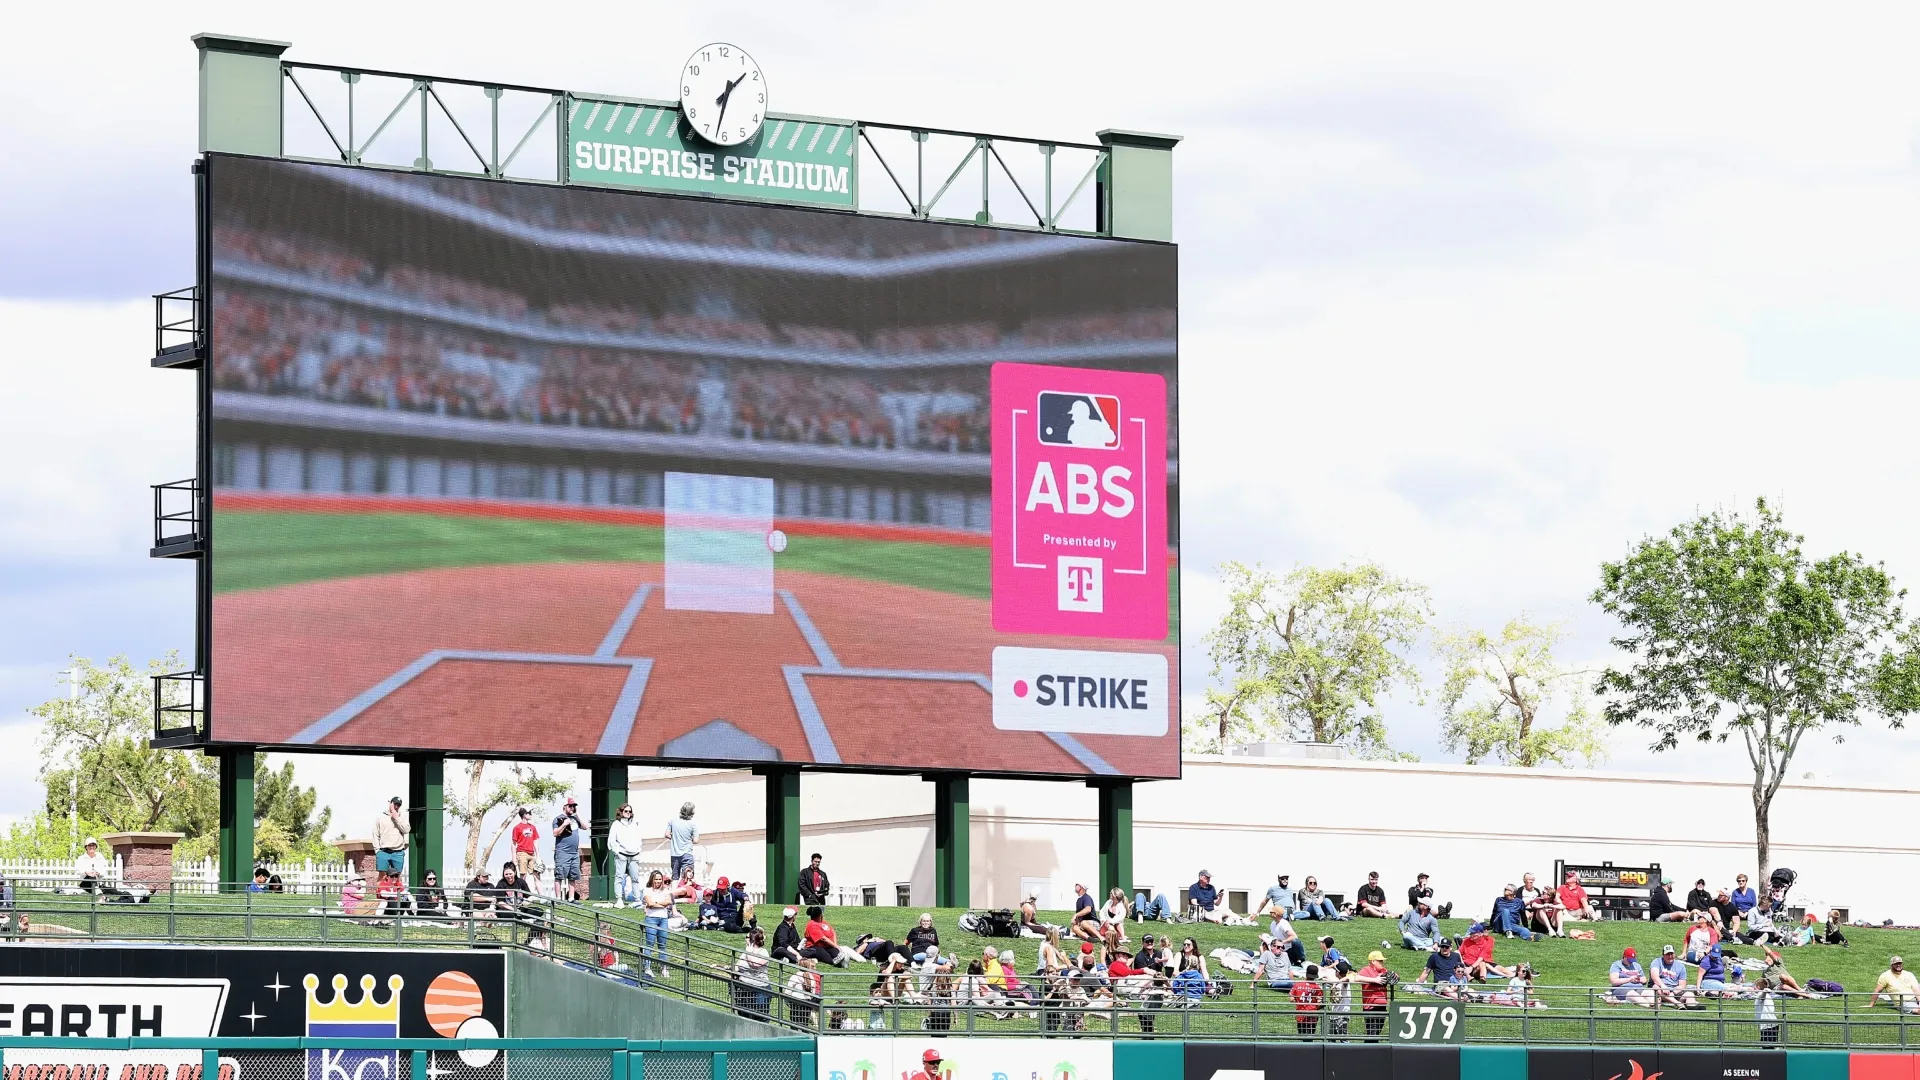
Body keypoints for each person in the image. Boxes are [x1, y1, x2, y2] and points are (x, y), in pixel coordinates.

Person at [609, 803, 645, 907]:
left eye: (630, 811)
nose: (628, 813)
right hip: (622, 854)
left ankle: (637, 899)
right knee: (619, 877)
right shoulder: (616, 824)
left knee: (635, 878)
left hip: (634, 854)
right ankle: (619, 899)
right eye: (626, 811)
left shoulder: (634, 824)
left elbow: (638, 838)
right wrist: (617, 851)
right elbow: (612, 840)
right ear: (621, 812)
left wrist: (639, 849)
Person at [732, 927, 772, 1019]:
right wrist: (724, 967)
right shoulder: (745, 953)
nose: (745, 939)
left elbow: (754, 964)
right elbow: (737, 966)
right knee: (743, 1015)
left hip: (760, 989)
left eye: (747, 937)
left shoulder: (763, 952)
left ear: (752, 940)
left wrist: (748, 952)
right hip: (744, 988)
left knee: (759, 1016)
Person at [551, 798, 586, 901]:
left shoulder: (575, 819)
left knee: (573, 876)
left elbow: (585, 827)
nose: (572, 808)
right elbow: (555, 833)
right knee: (560, 875)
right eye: (570, 806)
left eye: (574, 806)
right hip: (562, 852)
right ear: (565, 806)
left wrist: (577, 815)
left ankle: (571, 898)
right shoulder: (558, 819)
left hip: (574, 852)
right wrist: (564, 824)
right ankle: (558, 898)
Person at [640, 870, 674, 978]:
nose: (658, 881)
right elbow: (649, 903)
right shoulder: (647, 890)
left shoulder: (666, 890)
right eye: (656, 879)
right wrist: (659, 905)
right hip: (651, 918)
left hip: (663, 919)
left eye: (660, 879)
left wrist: (655, 904)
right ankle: (647, 967)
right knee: (650, 943)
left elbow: (668, 902)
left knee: (662, 944)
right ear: (652, 879)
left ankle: (664, 968)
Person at [1356, 951, 1392, 1039]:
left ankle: (1370, 1049)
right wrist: (1375, 980)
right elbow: (1356, 978)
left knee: (1377, 1033)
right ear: (1373, 961)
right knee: (1372, 1034)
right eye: (1380, 961)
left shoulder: (1384, 971)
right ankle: (1368, 1051)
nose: (1382, 963)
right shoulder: (1366, 970)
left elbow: (1393, 977)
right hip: (1371, 1007)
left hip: (1382, 1006)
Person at [1653, 944, 1698, 1008]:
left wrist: (1676, 991)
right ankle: (1677, 1003)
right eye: (1668, 954)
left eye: (1672, 954)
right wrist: (1663, 986)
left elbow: (1683, 984)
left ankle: (1693, 1008)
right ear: (1663, 955)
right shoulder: (1657, 962)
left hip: (1674, 992)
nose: (1670, 956)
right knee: (1655, 987)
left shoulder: (1680, 966)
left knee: (1690, 994)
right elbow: (1654, 977)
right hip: (1662, 990)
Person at [374, 796, 410, 876]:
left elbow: (406, 830)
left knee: (396, 877)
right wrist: (377, 850)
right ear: (390, 803)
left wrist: (397, 818)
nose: (396, 807)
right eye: (395, 804)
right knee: (382, 876)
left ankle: (395, 889)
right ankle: (381, 889)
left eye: (398, 805)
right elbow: (375, 834)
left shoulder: (403, 817)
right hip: (383, 851)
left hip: (398, 851)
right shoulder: (380, 817)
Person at [666, 802, 699, 881]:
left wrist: (675, 838)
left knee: (675, 878)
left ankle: (675, 892)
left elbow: (667, 834)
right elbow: (696, 840)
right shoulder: (692, 824)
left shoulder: (672, 821)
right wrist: (689, 839)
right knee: (688, 878)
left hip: (674, 854)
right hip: (687, 854)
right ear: (691, 812)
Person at [1292, 962, 1324, 1035]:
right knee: (1310, 1036)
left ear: (1306, 974)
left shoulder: (1297, 985)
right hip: (1312, 1016)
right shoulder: (1317, 988)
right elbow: (1319, 1002)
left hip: (1301, 1015)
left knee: (1302, 1035)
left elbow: (1291, 999)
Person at [510, 807, 540, 879]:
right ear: (524, 815)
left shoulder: (533, 827)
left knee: (537, 874)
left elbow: (535, 841)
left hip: (531, 853)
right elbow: (513, 843)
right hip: (522, 853)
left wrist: (538, 856)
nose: (530, 815)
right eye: (529, 813)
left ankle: (540, 891)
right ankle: (521, 890)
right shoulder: (517, 827)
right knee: (523, 875)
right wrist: (514, 858)